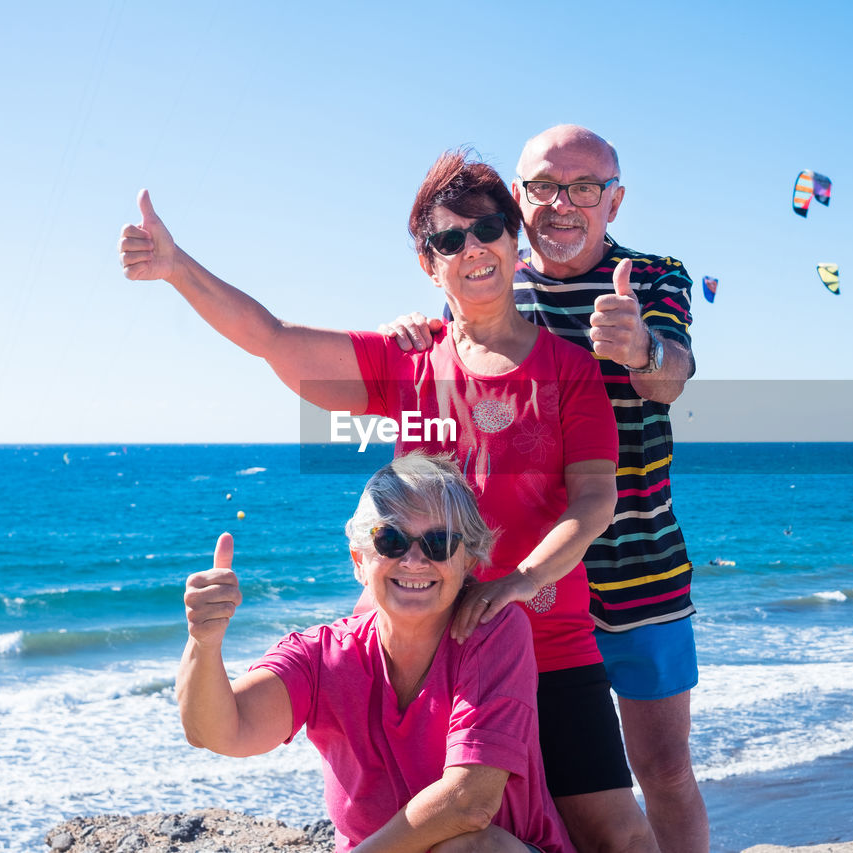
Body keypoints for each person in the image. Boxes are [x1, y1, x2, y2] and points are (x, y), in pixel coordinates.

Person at [119, 151, 660, 852]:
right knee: (455, 835)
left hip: (546, 640)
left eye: (488, 228)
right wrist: (176, 266)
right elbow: (275, 341)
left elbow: (593, 500)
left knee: (619, 837)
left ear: (513, 240)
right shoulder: (410, 359)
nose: (471, 248)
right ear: (427, 262)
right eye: (447, 239)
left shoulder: (571, 372)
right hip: (421, 643)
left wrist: (523, 581)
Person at [379, 125, 709, 853]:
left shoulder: (652, 276)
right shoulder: (491, 268)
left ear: (613, 201)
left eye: (584, 188)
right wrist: (403, 330)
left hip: (637, 567)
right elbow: (447, 362)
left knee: (662, 767)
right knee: (554, 777)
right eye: (544, 189)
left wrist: (643, 348)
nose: (562, 204)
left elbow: (674, 375)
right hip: (530, 592)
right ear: (521, 201)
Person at [177, 453, 575, 852]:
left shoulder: (493, 633)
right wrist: (203, 644)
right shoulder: (320, 656)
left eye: (439, 542)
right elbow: (218, 732)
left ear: (468, 559)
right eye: (391, 540)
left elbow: (469, 803)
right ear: (359, 560)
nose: (415, 560)